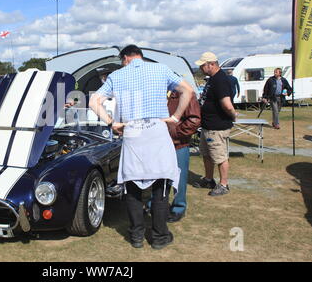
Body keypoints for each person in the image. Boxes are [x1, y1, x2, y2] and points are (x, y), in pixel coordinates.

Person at [89, 45, 194, 249]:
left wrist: (111, 123)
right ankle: (159, 236)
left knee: (132, 185)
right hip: (157, 129)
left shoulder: (117, 75)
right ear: (139, 56)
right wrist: (175, 117)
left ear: (126, 58)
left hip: (132, 130)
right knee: (161, 183)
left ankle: (136, 235)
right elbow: (188, 91)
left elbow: (94, 101)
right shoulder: (161, 69)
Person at [194, 52, 238, 197]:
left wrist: (233, 115)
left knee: (220, 157)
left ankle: (224, 184)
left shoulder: (220, 80)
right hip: (208, 126)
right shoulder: (213, 79)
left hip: (216, 127)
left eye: (202, 65)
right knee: (207, 154)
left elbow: (226, 103)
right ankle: (208, 179)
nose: (200, 68)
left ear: (211, 64)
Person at [167, 90, 201, 222]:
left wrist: (175, 134)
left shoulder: (186, 94)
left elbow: (194, 120)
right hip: (158, 144)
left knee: (179, 178)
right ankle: (155, 204)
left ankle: (178, 207)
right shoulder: (155, 91)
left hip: (178, 144)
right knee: (157, 176)